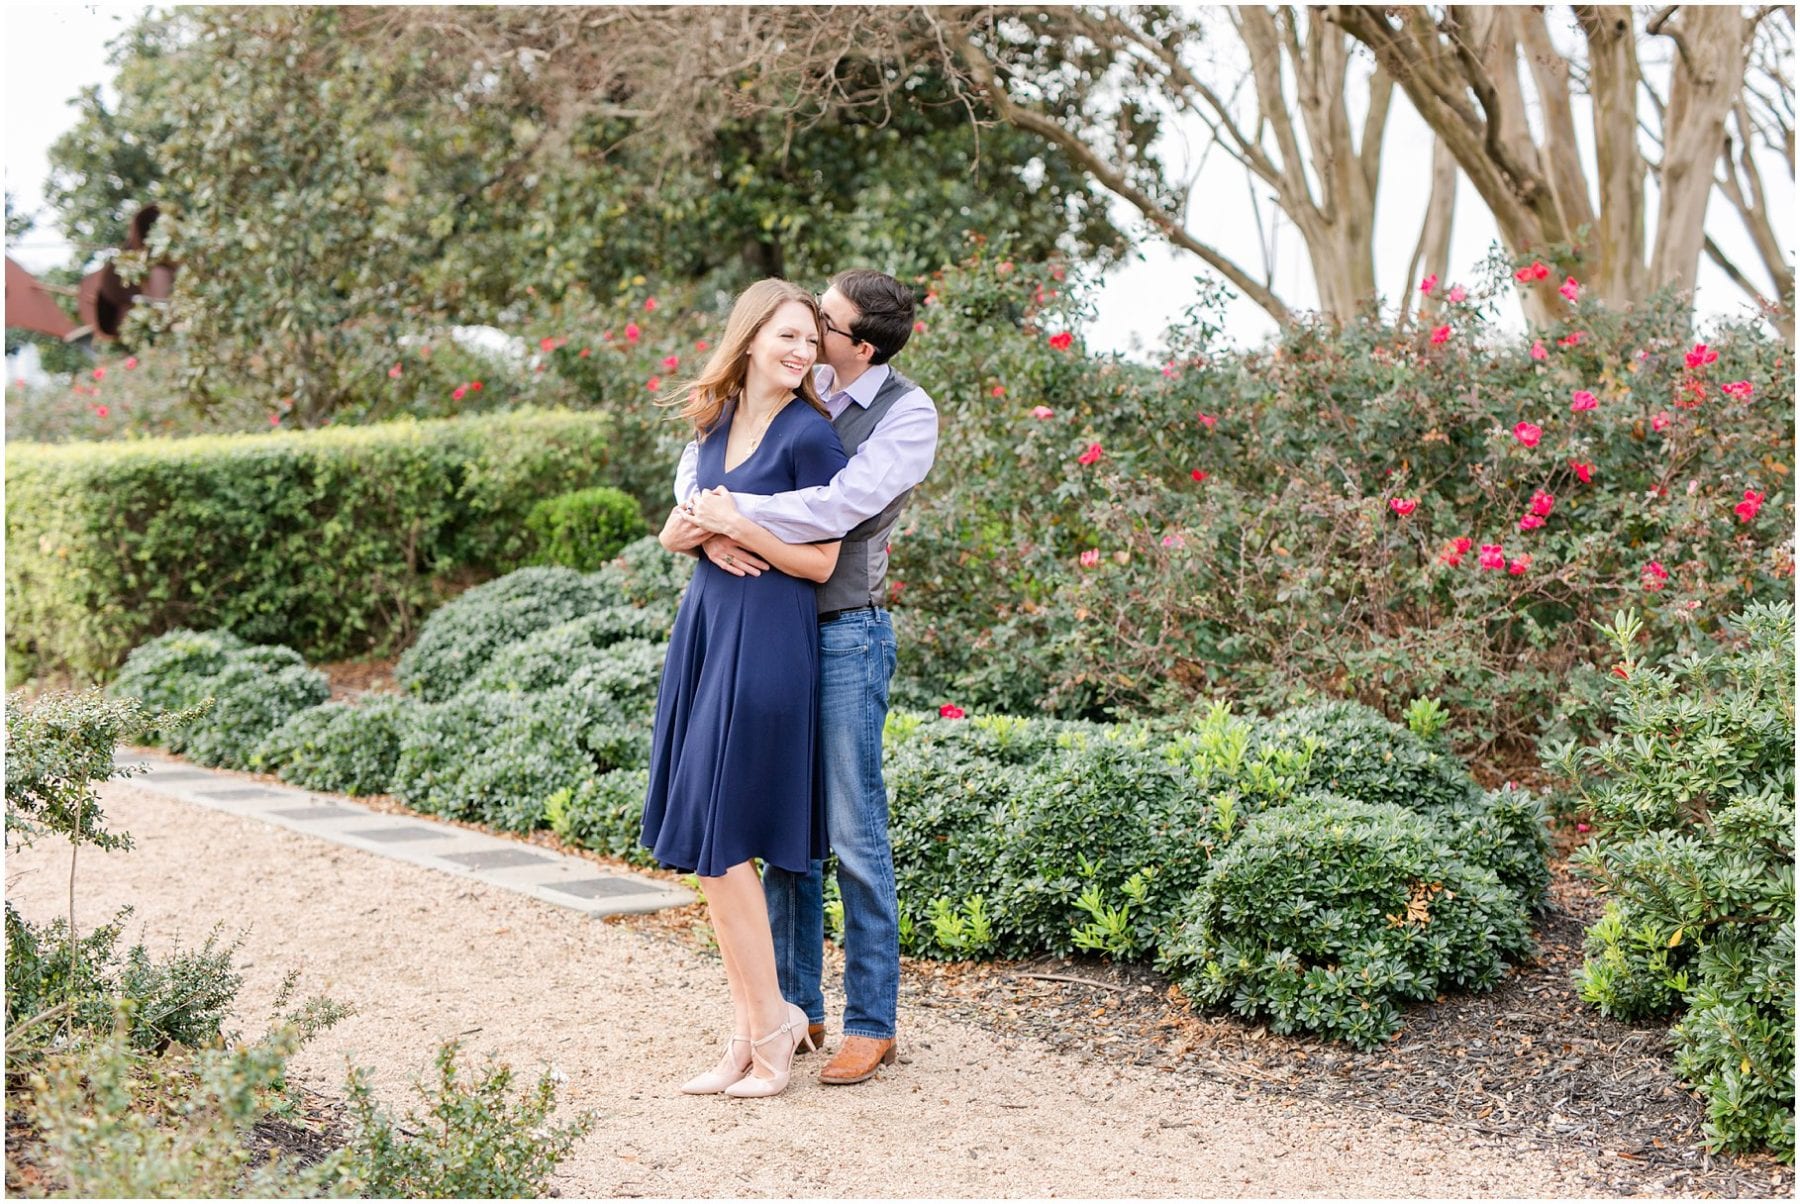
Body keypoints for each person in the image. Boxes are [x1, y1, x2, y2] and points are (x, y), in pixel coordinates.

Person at [675, 269, 938, 1086]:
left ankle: (871, 1020)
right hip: (772, 630)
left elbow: (837, 508)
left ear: (859, 345)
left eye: (824, 321)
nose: (808, 327)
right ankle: (793, 1011)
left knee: (855, 832)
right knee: (785, 829)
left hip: (845, 630)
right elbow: (700, 465)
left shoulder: (906, 416)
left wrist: (731, 516)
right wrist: (708, 521)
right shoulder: (799, 379)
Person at [641, 279, 850, 1099]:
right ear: (751, 337)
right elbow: (674, 529)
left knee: (726, 843)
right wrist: (694, 534)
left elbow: (821, 564)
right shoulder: (714, 425)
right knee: (705, 846)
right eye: (788, 337)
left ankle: (772, 1027)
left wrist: (738, 526)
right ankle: (750, 1031)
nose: (802, 353)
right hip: (707, 630)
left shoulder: (811, 436)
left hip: (768, 639)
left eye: (811, 341)